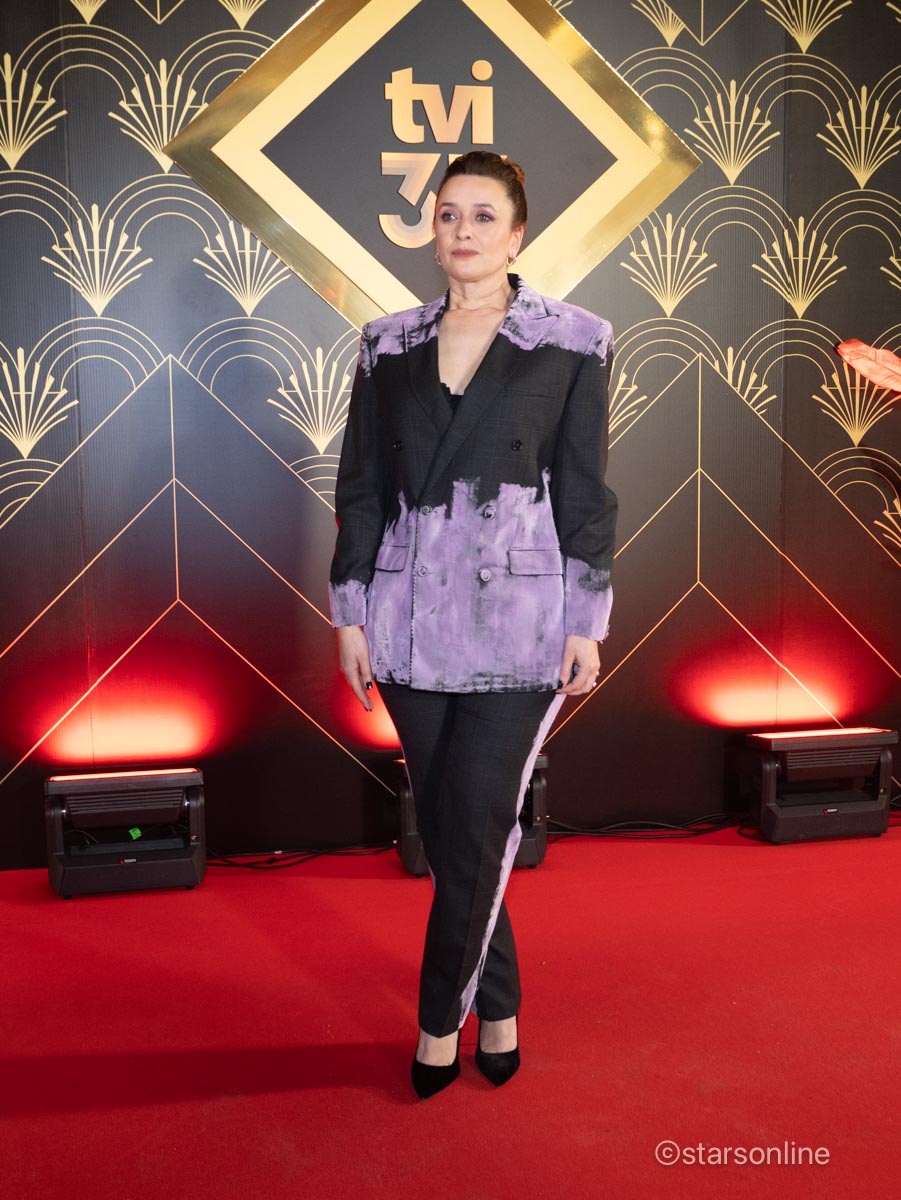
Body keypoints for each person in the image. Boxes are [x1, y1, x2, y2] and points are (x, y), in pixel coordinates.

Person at [328, 151, 617, 1099]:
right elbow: (361, 489)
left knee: (483, 823)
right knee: (459, 834)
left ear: (517, 234)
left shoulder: (573, 339)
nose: (462, 231)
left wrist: (586, 619)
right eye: (448, 214)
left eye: (483, 216)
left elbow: (584, 492)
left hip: (520, 628)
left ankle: (434, 1022)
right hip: (407, 626)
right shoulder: (385, 344)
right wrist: (350, 613)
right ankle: (499, 1008)